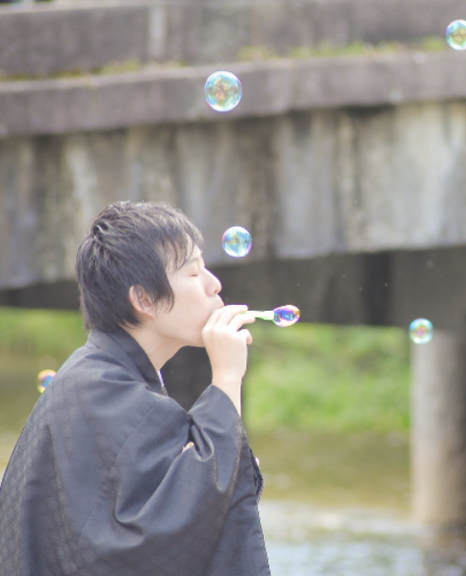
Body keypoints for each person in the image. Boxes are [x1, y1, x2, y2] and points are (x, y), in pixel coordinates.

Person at [0, 201, 271, 576]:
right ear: (144, 299)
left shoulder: (101, 380)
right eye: (194, 273)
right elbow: (156, 537)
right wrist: (226, 376)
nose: (214, 284)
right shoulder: (99, 390)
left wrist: (230, 468)